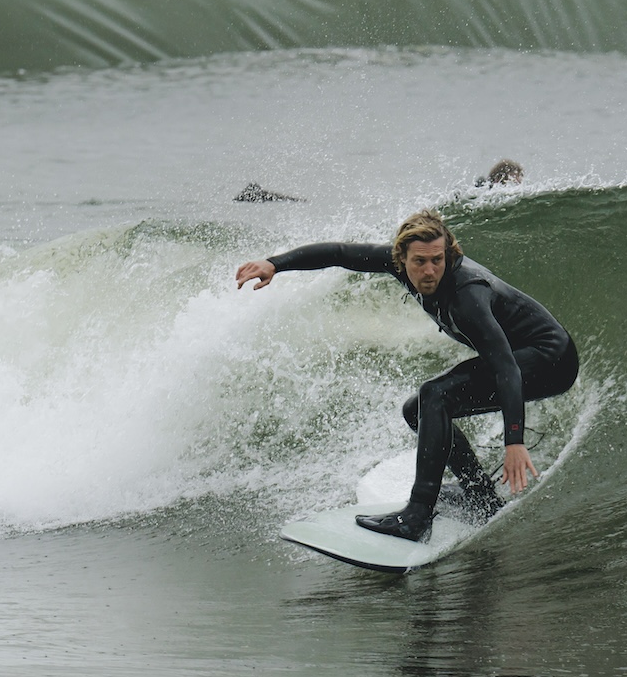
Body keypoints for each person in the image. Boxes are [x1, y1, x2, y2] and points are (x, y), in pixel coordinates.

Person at [235, 210, 577, 541]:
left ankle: (416, 516)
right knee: (418, 409)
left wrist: (513, 441)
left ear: (448, 254)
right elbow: (339, 253)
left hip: (550, 360)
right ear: (401, 258)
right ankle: (480, 495)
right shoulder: (398, 263)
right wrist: (275, 264)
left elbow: (506, 368)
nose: (429, 271)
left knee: (436, 394)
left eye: (437, 260)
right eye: (419, 262)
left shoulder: (467, 296)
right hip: (521, 356)